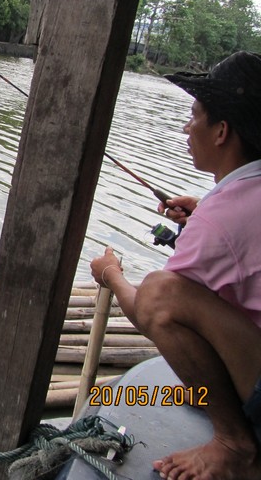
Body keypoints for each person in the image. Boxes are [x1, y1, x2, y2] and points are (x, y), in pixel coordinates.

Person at [90, 51, 261, 480]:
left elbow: (150, 310)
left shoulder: (222, 219)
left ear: (222, 131)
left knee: (160, 292)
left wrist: (111, 275)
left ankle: (234, 444)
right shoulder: (239, 200)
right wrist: (202, 212)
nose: (187, 128)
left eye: (194, 116)